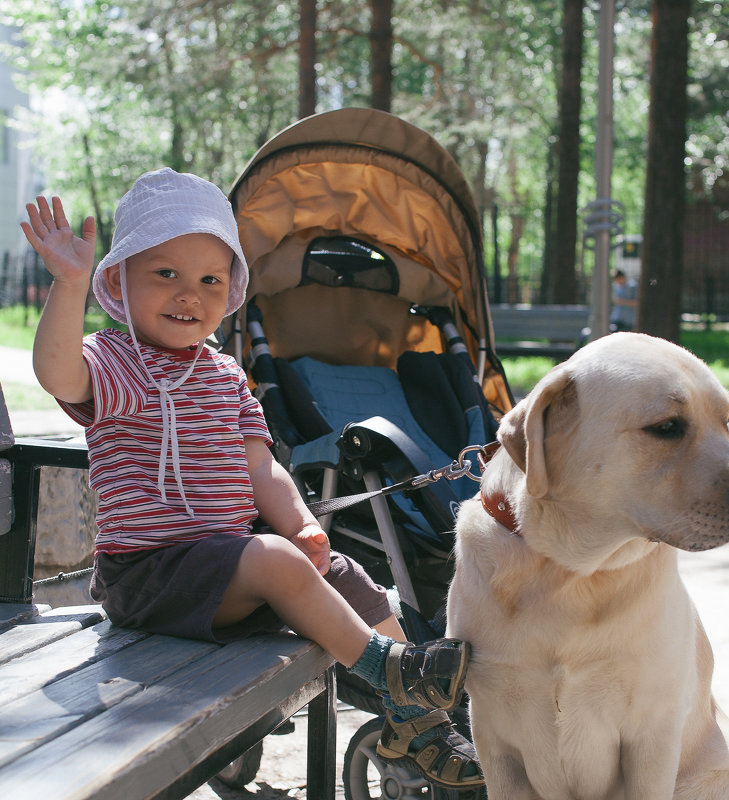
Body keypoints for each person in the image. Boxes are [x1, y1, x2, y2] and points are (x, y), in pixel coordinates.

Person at [20, 168, 482, 790]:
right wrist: (68, 284)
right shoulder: (113, 360)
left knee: (346, 576)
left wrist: (300, 524)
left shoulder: (225, 376)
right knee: (270, 558)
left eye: (210, 279)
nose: (190, 294)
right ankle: (391, 671)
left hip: (230, 570)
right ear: (118, 281)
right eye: (166, 275)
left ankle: (414, 722)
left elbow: (259, 466)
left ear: (231, 289)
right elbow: (57, 373)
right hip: (151, 575)